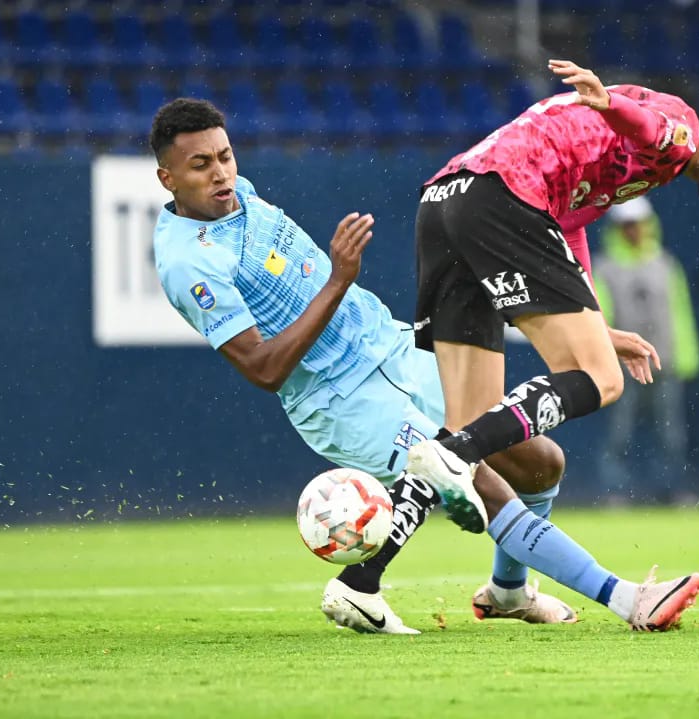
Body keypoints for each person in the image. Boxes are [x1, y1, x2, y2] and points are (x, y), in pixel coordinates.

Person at [149, 98, 667, 636]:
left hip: (393, 348)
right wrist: (338, 280)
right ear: (168, 179)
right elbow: (263, 370)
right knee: (474, 480)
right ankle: (626, 598)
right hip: (340, 398)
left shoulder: (241, 194)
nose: (221, 173)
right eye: (200, 165)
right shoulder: (189, 264)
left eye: (225, 156)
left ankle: (489, 591)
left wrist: (593, 332)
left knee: (542, 463)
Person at [404, 59, 699, 628]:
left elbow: (572, 222)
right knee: (599, 381)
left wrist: (595, 320)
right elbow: (660, 131)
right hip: (506, 196)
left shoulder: (640, 165)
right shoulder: (678, 128)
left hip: (447, 200)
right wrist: (610, 101)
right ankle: (454, 451)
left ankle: (372, 581)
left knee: (484, 431)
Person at [592, 197, 699, 504]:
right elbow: (601, 317)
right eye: (626, 225)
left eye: (637, 224)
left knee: (672, 435)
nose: (633, 231)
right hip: (622, 366)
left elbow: (679, 314)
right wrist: (607, 360)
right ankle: (615, 493)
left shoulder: (666, 264)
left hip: (664, 364)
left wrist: (686, 360)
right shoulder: (604, 267)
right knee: (619, 434)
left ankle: (674, 491)